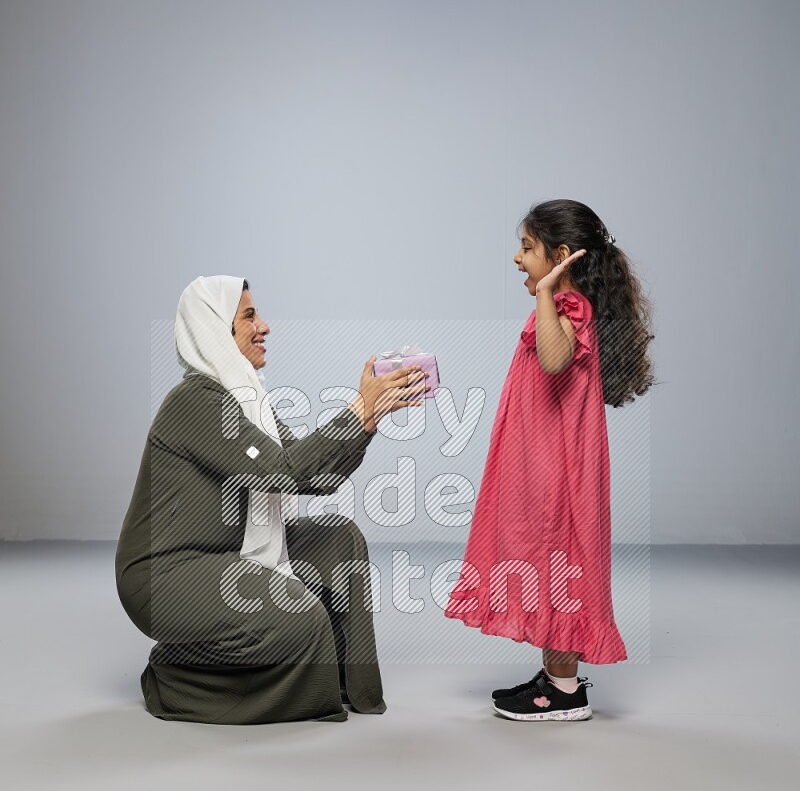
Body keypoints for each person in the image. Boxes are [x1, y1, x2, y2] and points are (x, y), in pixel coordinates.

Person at [115, 275, 426, 724]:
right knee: (301, 618)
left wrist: (370, 415)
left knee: (340, 540)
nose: (265, 326)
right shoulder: (194, 401)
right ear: (216, 330)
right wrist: (358, 408)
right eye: (248, 316)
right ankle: (174, 677)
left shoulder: (248, 400)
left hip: (226, 552)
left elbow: (311, 474)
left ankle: (344, 683)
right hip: (164, 575)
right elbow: (284, 472)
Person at [444, 200, 654, 721]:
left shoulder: (568, 307)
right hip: (544, 457)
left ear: (560, 256)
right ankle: (557, 675)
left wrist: (545, 292)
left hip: (557, 467)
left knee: (557, 557)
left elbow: (556, 360)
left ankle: (563, 693)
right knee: (546, 560)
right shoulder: (562, 307)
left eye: (527, 248)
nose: (518, 259)